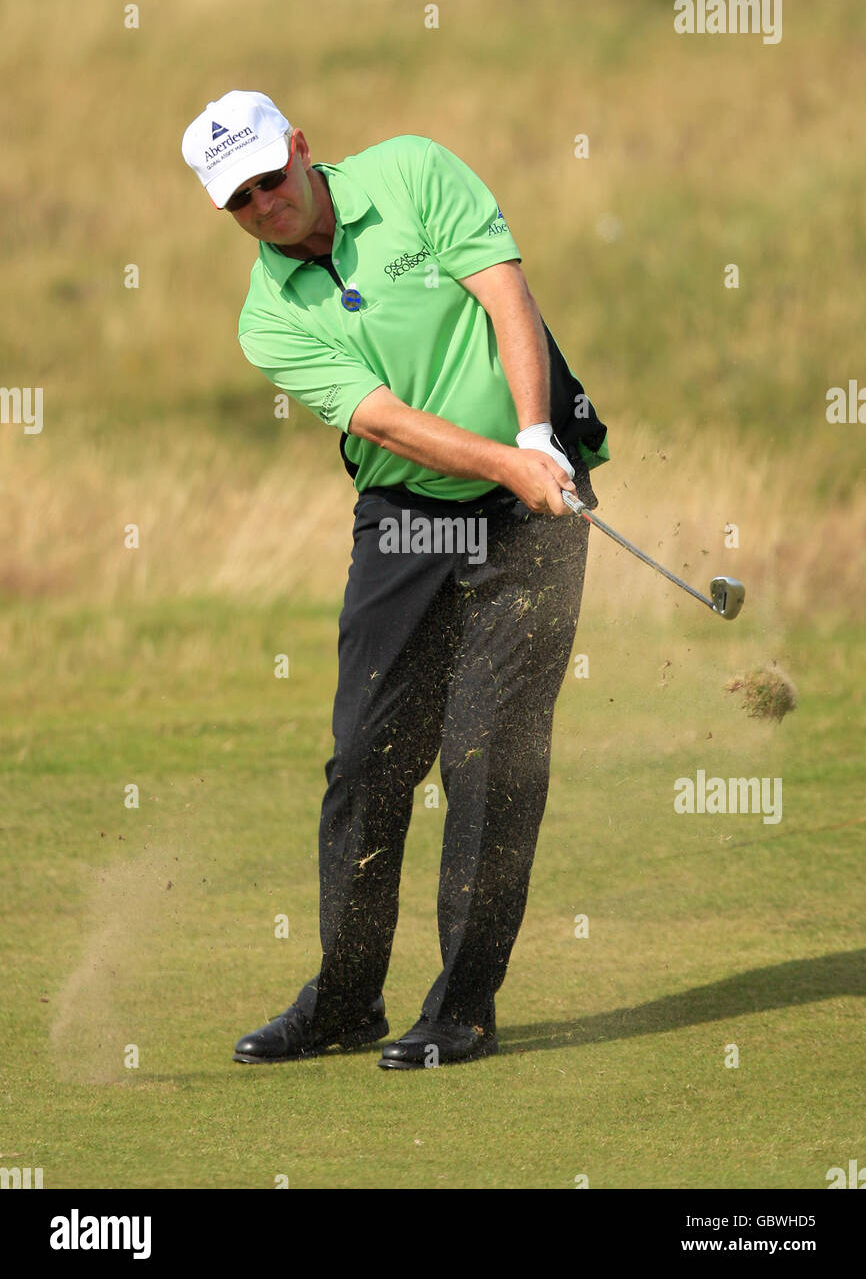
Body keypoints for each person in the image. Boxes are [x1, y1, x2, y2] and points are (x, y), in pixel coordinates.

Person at [181, 90, 609, 1069]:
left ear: (298, 146)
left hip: (530, 506)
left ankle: (460, 1008)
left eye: (268, 177)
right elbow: (378, 420)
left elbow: (506, 293)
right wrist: (502, 461)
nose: (262, 205)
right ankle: (343, 999)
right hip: (406, 517)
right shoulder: (266, 319)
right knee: (366, 762)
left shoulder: (411, 171)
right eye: (238, 200)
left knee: (488, 759)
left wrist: (534, 442)